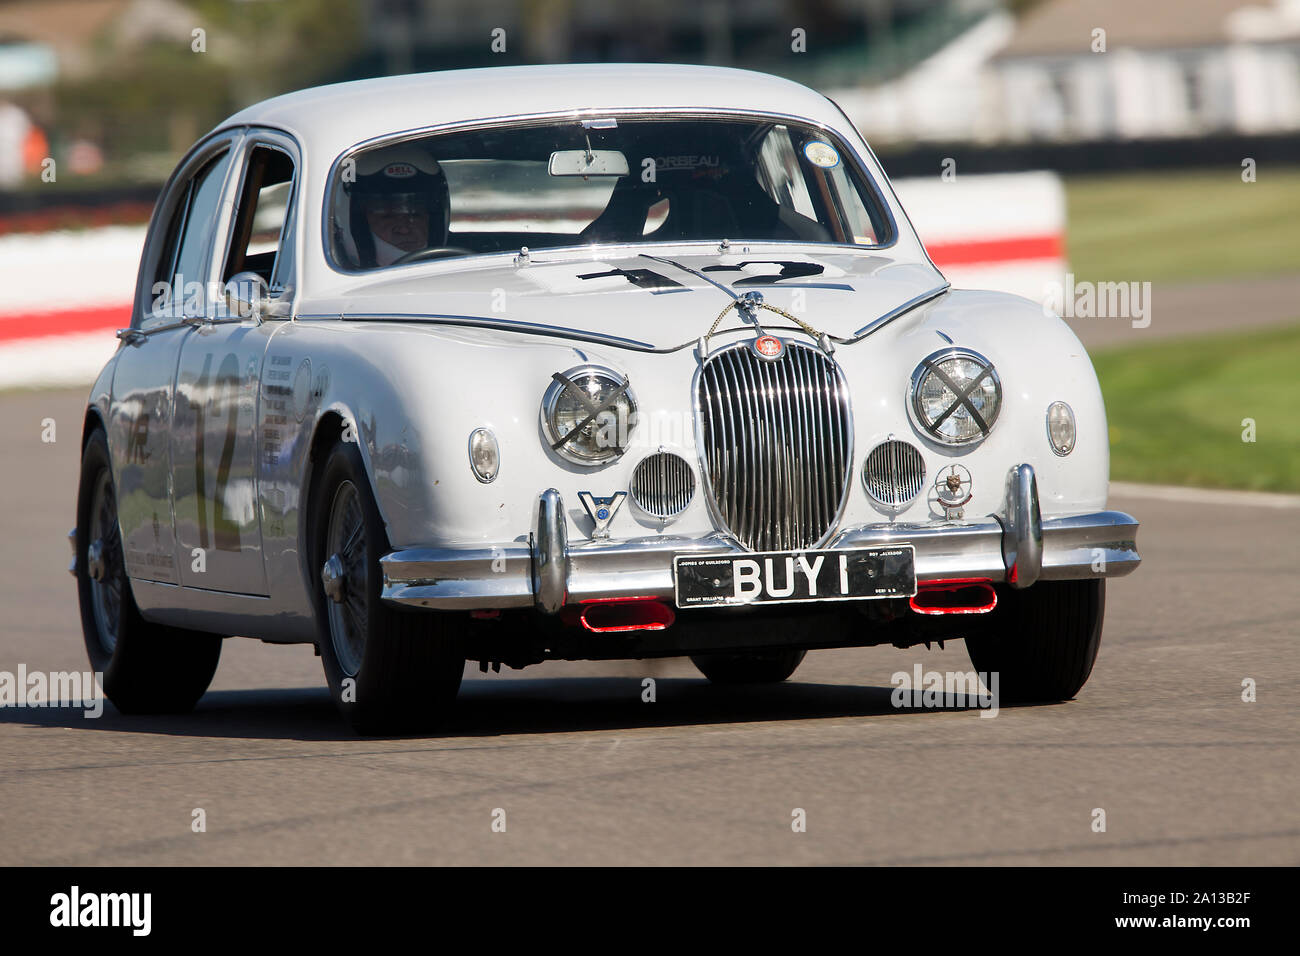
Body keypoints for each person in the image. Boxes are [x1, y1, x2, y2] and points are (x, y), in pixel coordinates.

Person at [348, 146, 450, 267]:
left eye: (415, 215)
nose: (404, 230)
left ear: (435, 220)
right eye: (387, 216)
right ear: (359, 222)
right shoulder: (334, 273)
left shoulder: (465, 262)